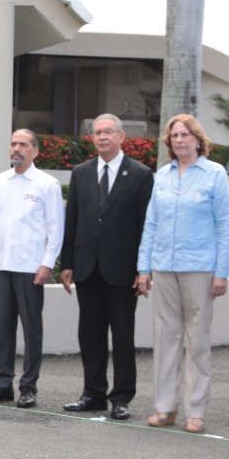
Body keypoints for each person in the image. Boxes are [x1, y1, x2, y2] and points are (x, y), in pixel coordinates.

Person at [134, 114, 229, 434]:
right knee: (165, 339)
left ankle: (196, 410)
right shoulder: (162, 175)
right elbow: (150, 224)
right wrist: (143, 267)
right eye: (174, 135)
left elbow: (224, 226)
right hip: (164, 266)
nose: (179, 140)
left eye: (185, 135)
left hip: (200, 267)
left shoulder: (214, 173)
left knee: (197, 340)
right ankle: (165, 407)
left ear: (198, 139)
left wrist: (222, 272)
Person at [59, 113, 154, 420]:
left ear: (121, 137)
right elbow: (72, 220)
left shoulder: (140, 174)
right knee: (90, 333)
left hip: (122, 269)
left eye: (107, 132)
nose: (101, 137)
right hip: (87, 267)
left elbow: (146, 226)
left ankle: (122, 397)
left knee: (123, 335)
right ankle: (93, 393)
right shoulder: (81, 172)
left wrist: (144, 269)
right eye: (96, 132)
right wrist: (68, 263)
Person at [0, 130, 63, 407]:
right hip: (3, 264)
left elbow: (55, 228)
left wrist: (47, 263)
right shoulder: (0, 182)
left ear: (35, 151)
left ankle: (29, 386)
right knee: (3, 329)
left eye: (23, 144)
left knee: (31, 330)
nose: (17, 148)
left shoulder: (47, 184)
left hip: (30, 266)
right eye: (13, 143)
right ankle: (3, 384)